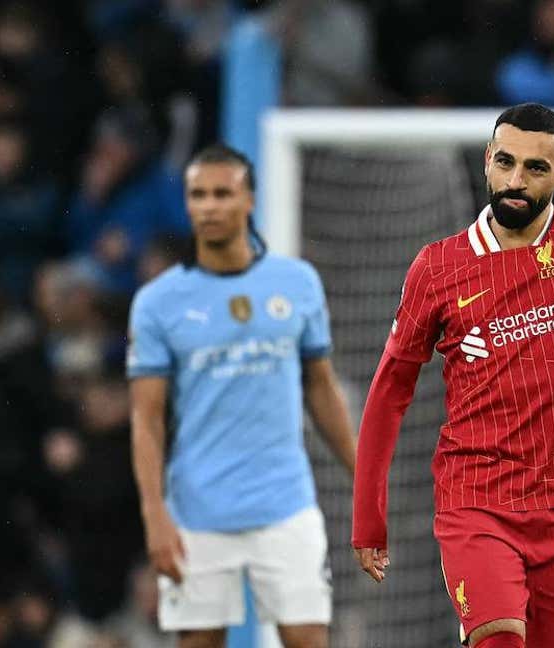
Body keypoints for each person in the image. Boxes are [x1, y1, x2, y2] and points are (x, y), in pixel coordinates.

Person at [352, 16, 554, 648]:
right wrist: (369, 516)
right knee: (501, 637)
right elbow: (391, 388)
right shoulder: (439, 266)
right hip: (479, 501)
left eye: (535, 168)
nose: (515, 179)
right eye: (504, 162)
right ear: (487, 161)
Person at [128, 146, 356, 648]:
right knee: (200, 642)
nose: (209, 206)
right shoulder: (157, 303)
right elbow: (146, 420)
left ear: (248, 199)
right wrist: (155, 517)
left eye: (222, 193)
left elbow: (320, 385)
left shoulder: (296, 283)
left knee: (308, 638)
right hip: (196, 508)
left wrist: (363, 476)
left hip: (286, 502)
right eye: (198, 195)